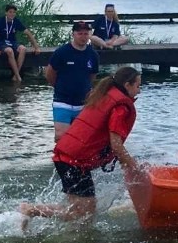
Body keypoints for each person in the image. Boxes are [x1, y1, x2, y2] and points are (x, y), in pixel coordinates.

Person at [19, 66, 143, 223]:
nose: (139, 91)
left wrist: (127, 164)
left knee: (81, 212)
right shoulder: (120, 107)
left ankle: (57, 230)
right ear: (127, 85)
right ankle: (30, 210)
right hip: (73, 161)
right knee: (83, 214)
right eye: (138, 86)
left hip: (67, 157)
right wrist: (135, 167)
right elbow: (116, 145)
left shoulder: (105, 95)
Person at [45, 21, 100, 141]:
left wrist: (86, 88)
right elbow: (49, 73)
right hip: (62, 100)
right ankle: (59, 158)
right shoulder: (62, 52)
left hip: (83, 102)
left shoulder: (93, 55)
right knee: (61, 135)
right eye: (80, 33)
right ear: (73, 34)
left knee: (80, 136)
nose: (83, 37)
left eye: (86, 34)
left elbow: (92, 75)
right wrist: (59, 86)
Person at [0, 4, 41, 82]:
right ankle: (18, 76)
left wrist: (36, 47)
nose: (12, 14)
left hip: (12, 42)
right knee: (9, 51)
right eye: (10, 12)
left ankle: (15, 75)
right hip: (2, 42)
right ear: (6, 13)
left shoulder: (16, 21)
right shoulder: (1, 20)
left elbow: (28, 33)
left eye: (14, 12)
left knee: (23, 49)